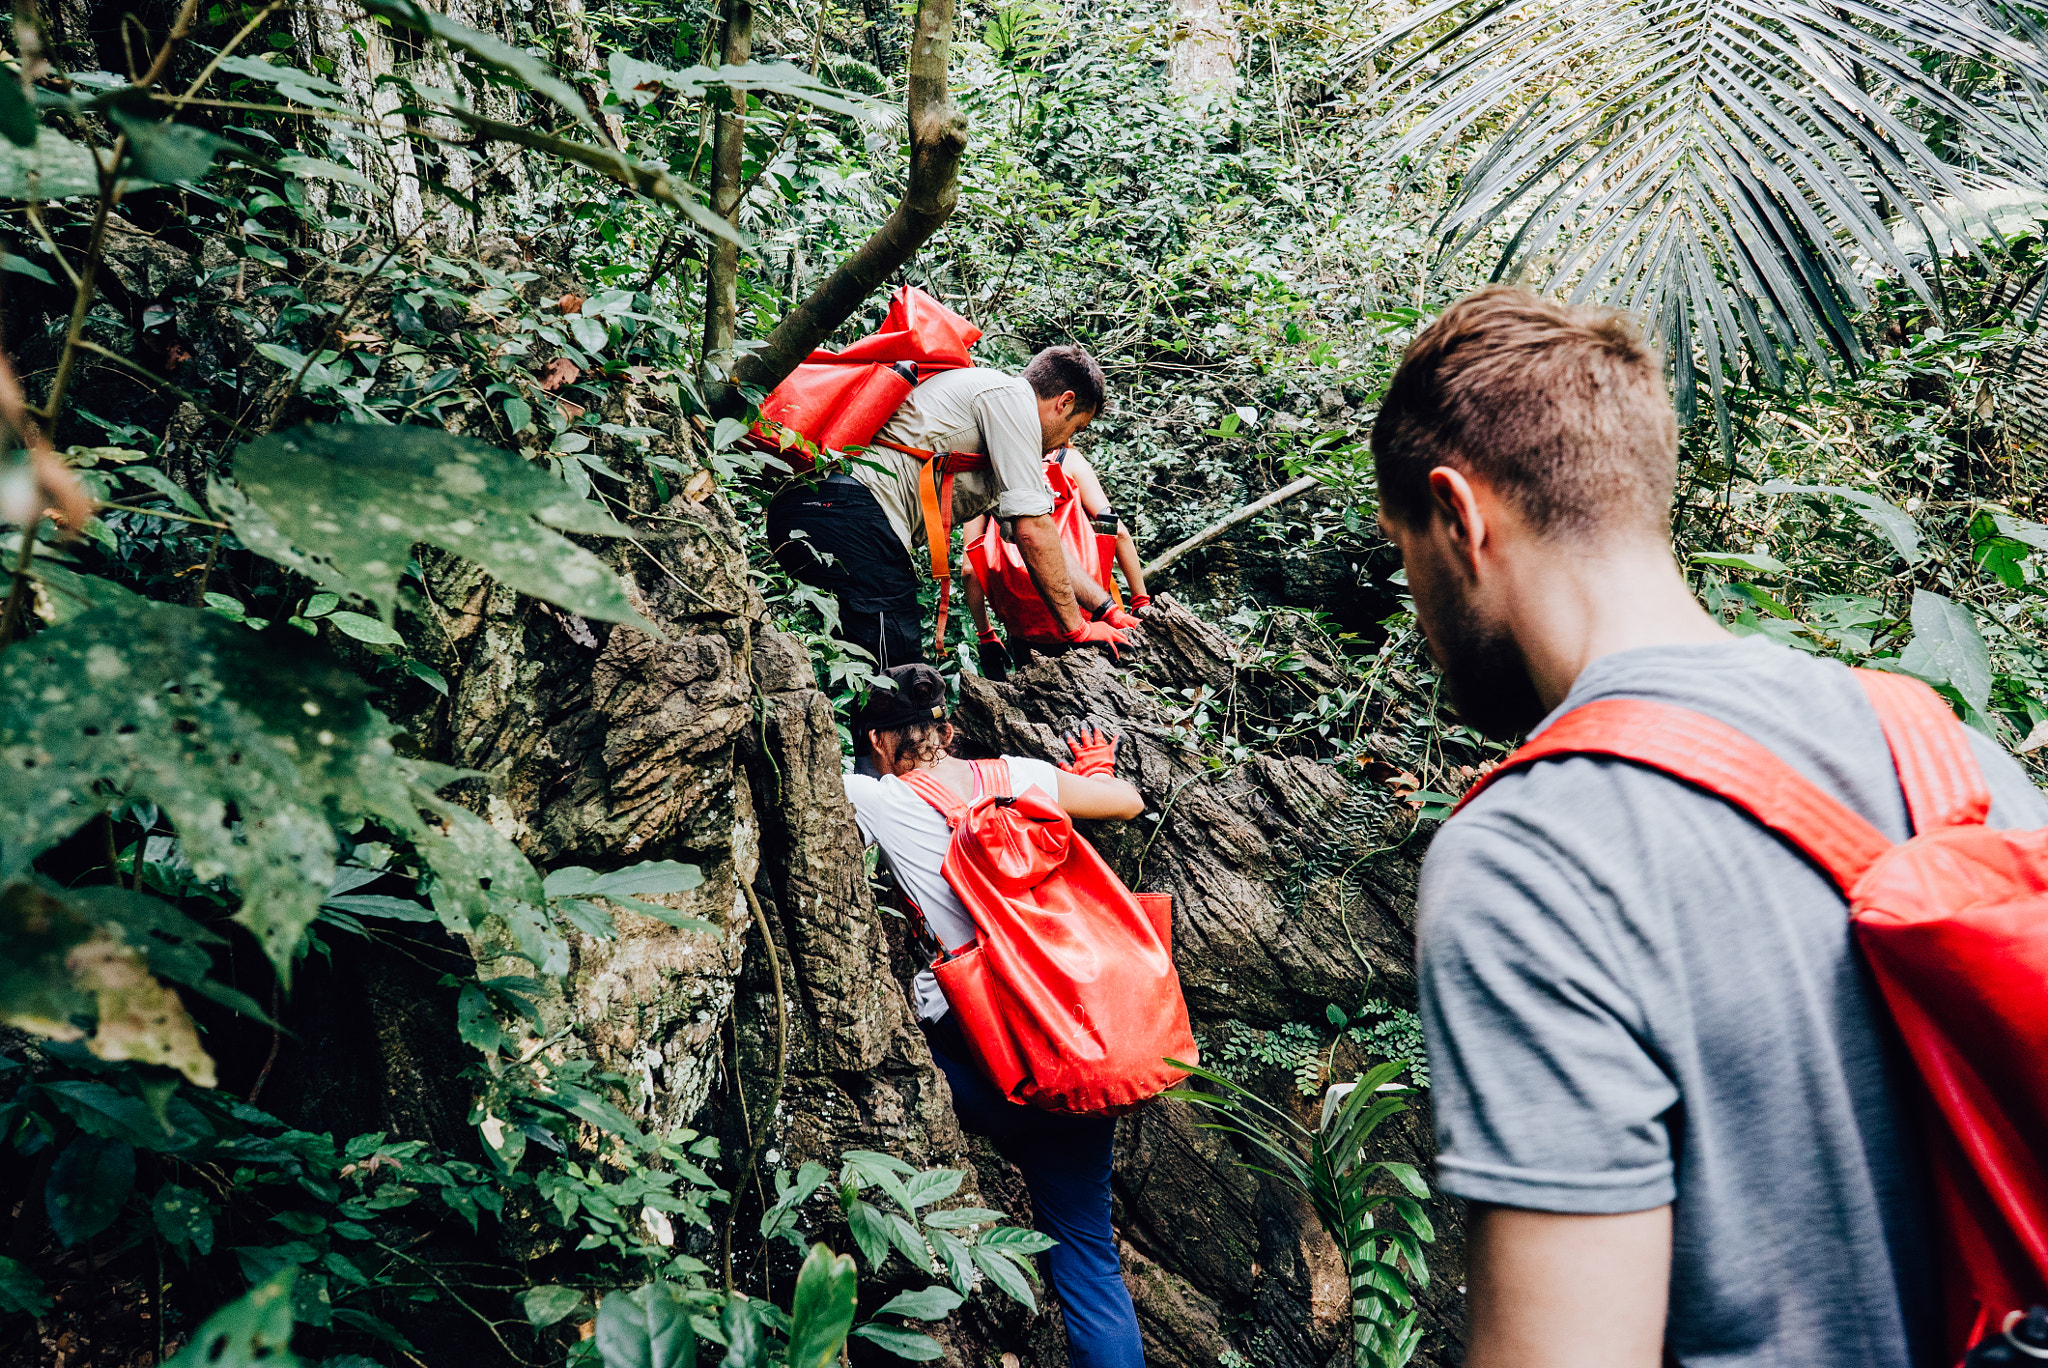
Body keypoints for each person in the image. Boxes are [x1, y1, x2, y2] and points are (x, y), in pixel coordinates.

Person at [1370, 286, 2048, 1367]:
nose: (1414, 601)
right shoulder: (1943, 748)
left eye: (1402, 550)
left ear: (1458, 518)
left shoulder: (1532, 856)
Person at [843, 663, 1148, 1368]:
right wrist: (1093, 774)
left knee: (876, 1091)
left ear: (880, 742)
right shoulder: (1024, 776)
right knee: (1086, 1250)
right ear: (949, 729)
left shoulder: (874, 796)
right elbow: (1126, 801)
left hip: (978, 1062)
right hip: (1074, 1047)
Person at [766, 346, 1130, 671]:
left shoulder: (1001, 436)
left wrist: (1107, 610)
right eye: (1075, 428)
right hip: (847, 507)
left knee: (884, 659)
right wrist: (1077, 629)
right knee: (898, 666)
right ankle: (899, 745)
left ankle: (886, 741)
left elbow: (1045, 538)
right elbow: (1032, 532)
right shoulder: (1009, 397)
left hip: (815, 512)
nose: (1066, 443)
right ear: (1063, 402)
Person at [960, 443, 1154, 680]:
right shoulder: (1068, 460)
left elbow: (969, 569)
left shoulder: (988, 471)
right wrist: (1140, 601)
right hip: (1092, 616)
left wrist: (986, 635)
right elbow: (1118, 531)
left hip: (1026, 629)